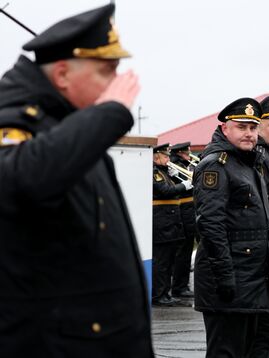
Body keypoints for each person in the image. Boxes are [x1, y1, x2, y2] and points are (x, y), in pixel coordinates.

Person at [0, 4, 153, 357]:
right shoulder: (17, 120)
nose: (117, 83)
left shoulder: (71, 124)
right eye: (106, 71)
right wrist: (109, 114)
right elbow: (22, 181)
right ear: (63, 74)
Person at [193, 98, 269, 358]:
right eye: (242, 127)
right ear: (225, 128)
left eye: (253, 127)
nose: (249, 134)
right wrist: (225, 277)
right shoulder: (216, 165)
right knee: (226, 351)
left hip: (252, 277)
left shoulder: (248, 163)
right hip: (231, 279)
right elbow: (211, 225)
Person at [152, 144, 189, 306]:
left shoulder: (162, 172)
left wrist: (174, 177)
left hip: (170, 221)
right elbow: (164, 191)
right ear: (156, 157)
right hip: (161, 221)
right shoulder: (154, 173)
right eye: (165, 157)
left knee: (167, 261)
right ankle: (159, 295)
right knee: (161, 262)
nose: (168, 159)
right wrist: (183, 185)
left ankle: (165, 293)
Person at [169, 141, 197, 298]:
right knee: (183, 251)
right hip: (183, 211)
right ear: (180, 152)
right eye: (187, 152)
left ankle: (182, 284)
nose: (190, 155)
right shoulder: (173, 166)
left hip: (190, 209)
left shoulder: (185, 164)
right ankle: (179, 286)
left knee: (186, 251)